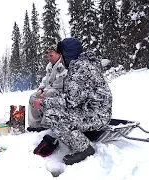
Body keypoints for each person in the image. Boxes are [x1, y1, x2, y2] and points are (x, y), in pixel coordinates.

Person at [34, 37, 113, 165]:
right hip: (93, 110)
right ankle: (73, 137)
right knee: (56, 108)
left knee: (52, 113)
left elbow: (70, 102)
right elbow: (75, 97)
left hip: (96, 115)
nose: (61, 60)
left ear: (67, 54)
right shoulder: (83, 64)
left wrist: (43, 103)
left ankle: (83, 148)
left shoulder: (79, 68)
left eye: (61, 56)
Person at [27, 45, 68, 132]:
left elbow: (59, 84)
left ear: (58, 54)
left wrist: (43, 94)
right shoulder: (49, 66)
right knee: (33, 96)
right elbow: (45, 80)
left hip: (59, 94)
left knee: (50, 93)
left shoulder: (64, 65)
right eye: (48, 56)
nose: (49, 58)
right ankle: (35, 124)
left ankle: (46, 125)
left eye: (51, 55)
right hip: (47, 91)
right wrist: (40, 89)